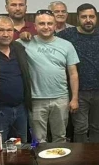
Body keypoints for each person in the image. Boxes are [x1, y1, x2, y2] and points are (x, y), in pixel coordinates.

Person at [21, 9, 79, 143]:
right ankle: (40, 158)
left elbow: (73, 73)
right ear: (35, 26)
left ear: (55, 26)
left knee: (60, 137)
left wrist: (75, 98)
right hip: (36, 99)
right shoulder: (24, 42)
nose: (46, 27)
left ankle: (59, 158)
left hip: (61, 98)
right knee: (38, 139)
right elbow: (4, 46)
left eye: (49, 23)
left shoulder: (67, 45)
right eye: (42, 23)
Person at [58, 4, 99, 143]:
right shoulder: (67, 34)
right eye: (84, 17)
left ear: (96, 18)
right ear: (78, 18)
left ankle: (96, 155)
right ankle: (81, 156)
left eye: (91, 16)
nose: (88, 20)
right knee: (80, 128)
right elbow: (48, 39)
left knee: (97, 127)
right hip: (78, 91)